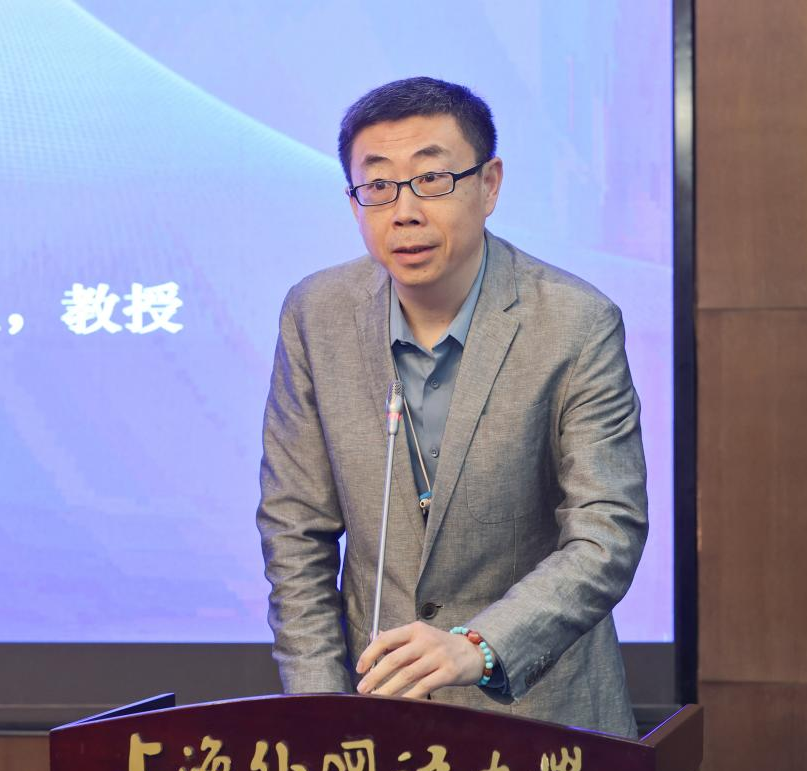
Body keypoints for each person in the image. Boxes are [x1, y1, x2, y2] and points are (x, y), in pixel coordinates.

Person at [256, 77, 648, 736]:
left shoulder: (574, 323)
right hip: (374, 718)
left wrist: (478, 646)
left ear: (489, 184)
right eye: (378, 186)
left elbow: (606, 531)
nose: (403, 212)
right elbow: (294, 530)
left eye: (432, 179)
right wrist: (321, 708)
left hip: (538, 722)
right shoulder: (316, 314)